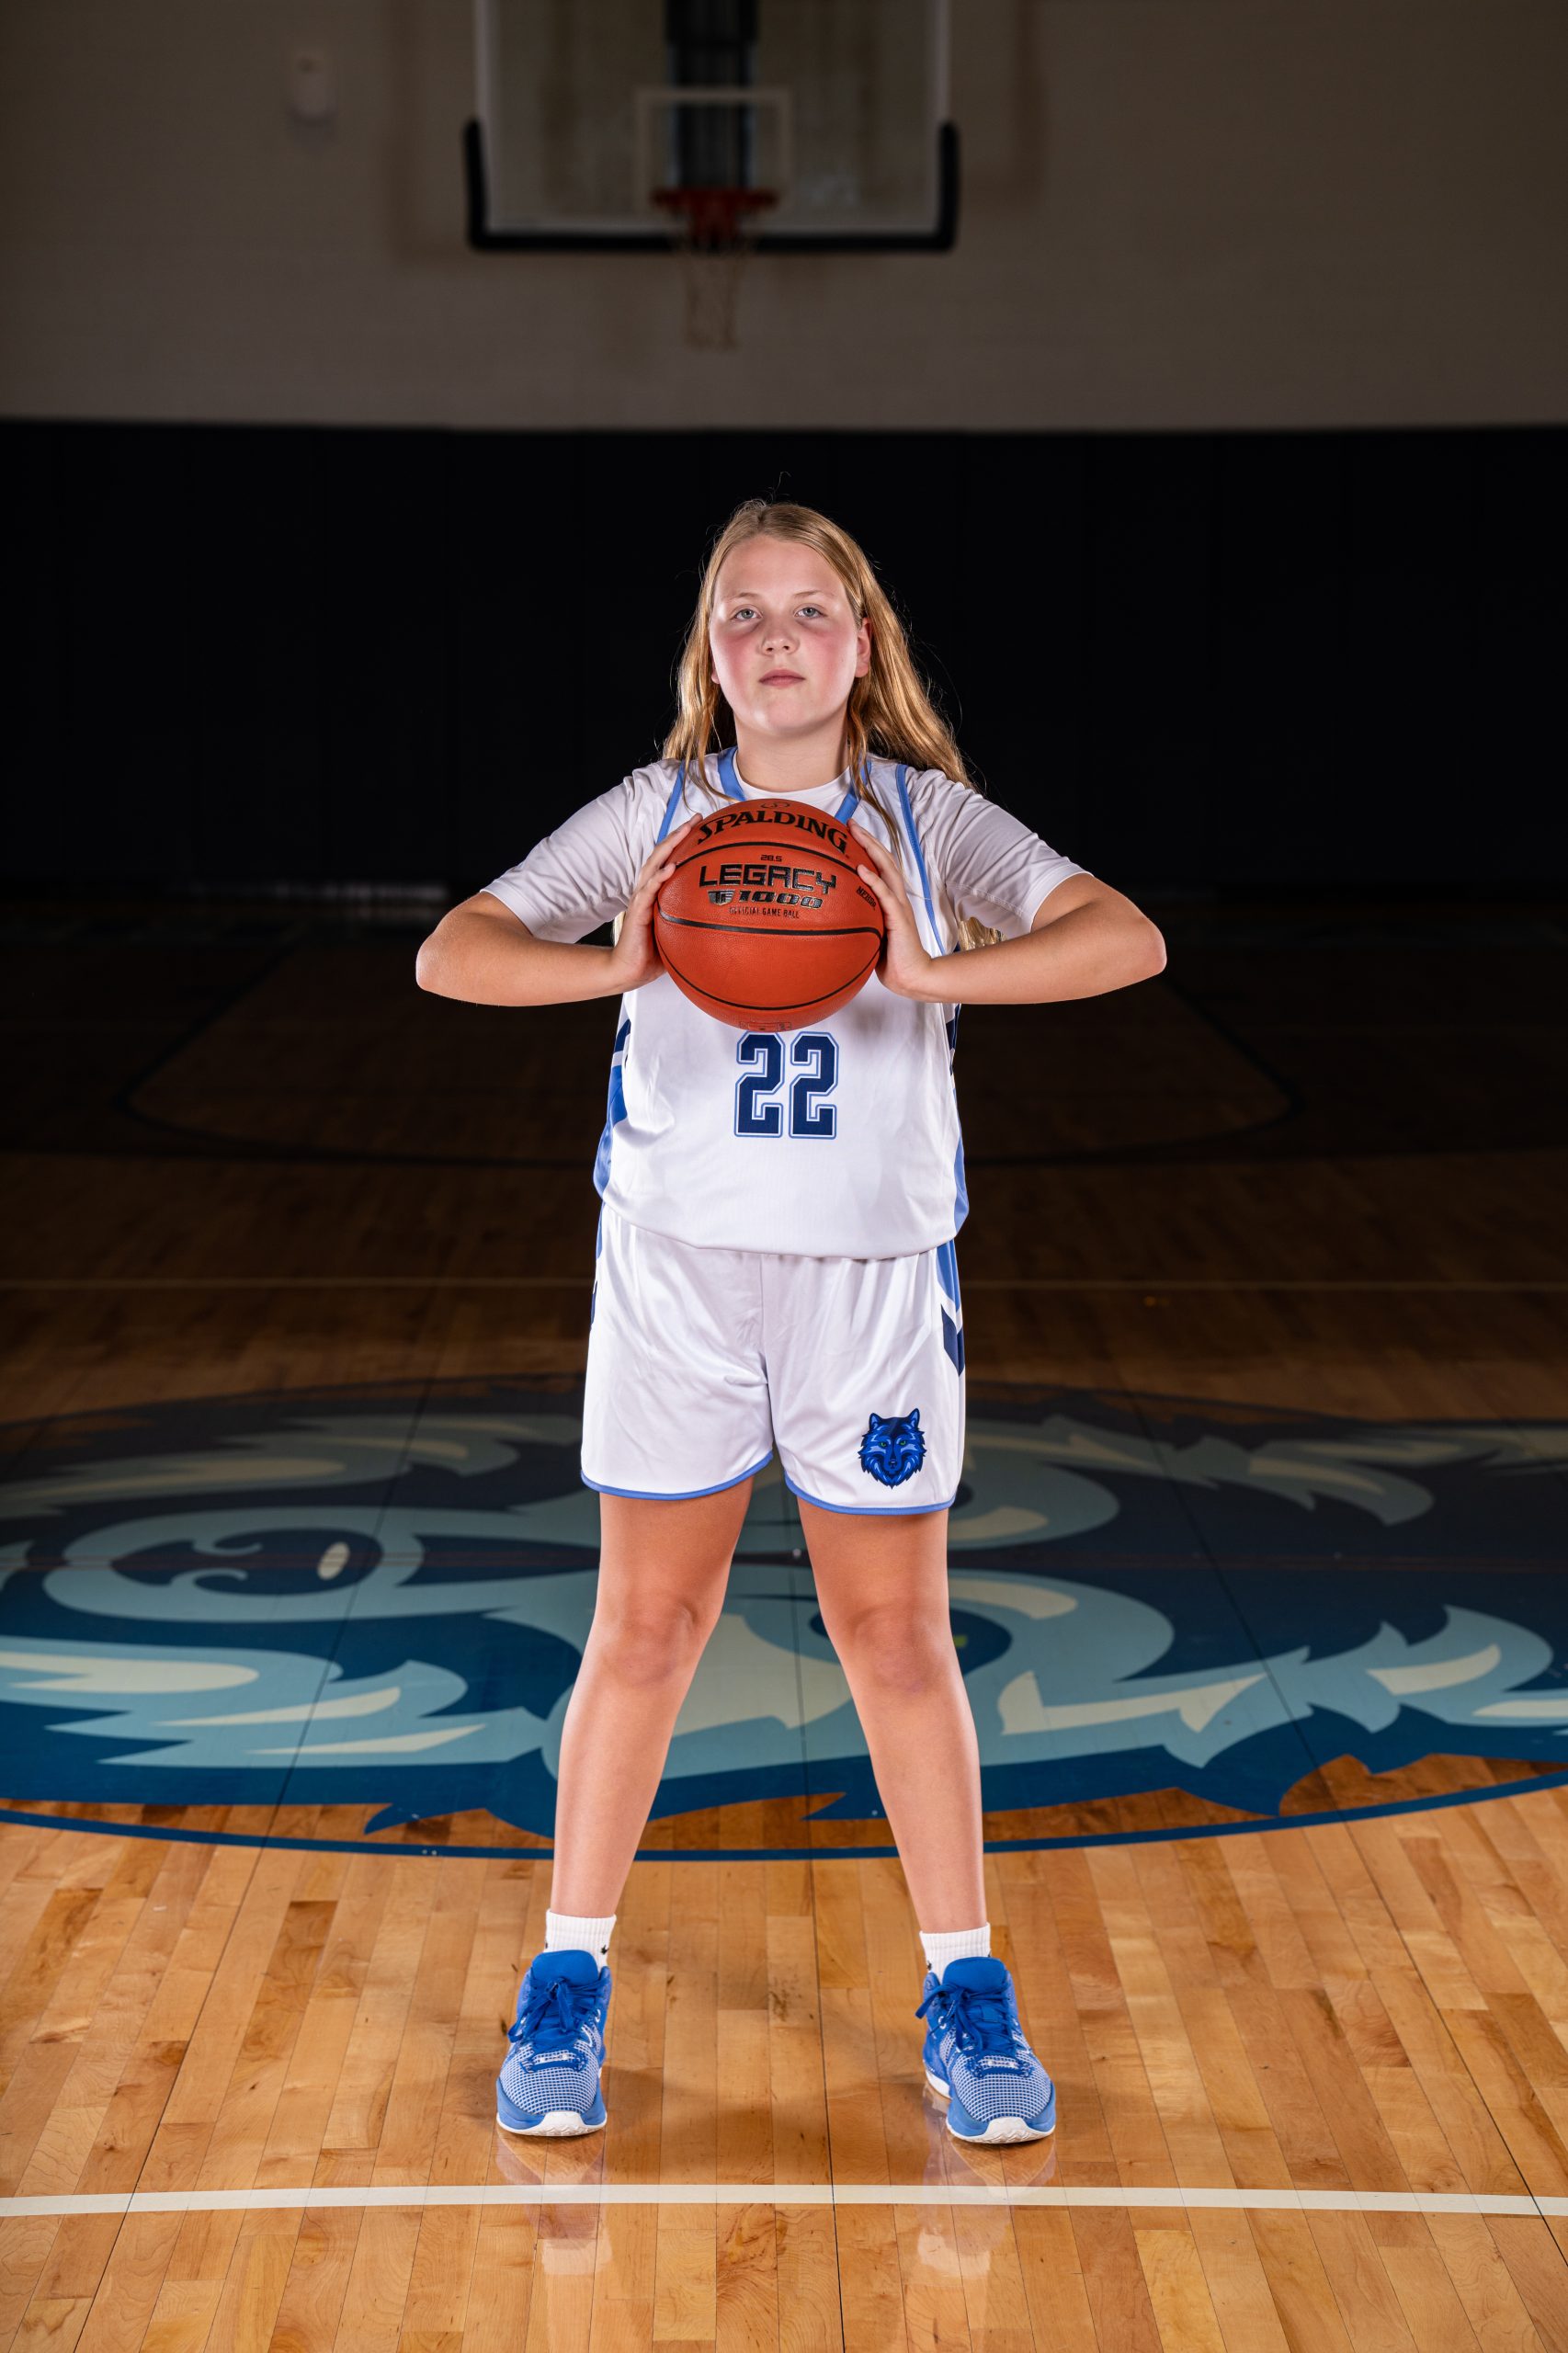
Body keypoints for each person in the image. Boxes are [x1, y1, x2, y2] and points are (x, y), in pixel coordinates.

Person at [415, 497, 1165, 2145]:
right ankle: (566, 1978)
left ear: (861, 646)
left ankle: (967, 1993)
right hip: (678, 1270)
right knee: (646, 1628)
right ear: (709, 652)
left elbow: (1125, 939)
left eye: (809, 610)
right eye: (743, 612)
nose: (776, 637)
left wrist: (930, 973)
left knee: (893, 1637)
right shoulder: (656, 817)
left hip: (868, 1279)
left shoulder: (924, 823)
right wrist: (612, 965)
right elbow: (452, 955)